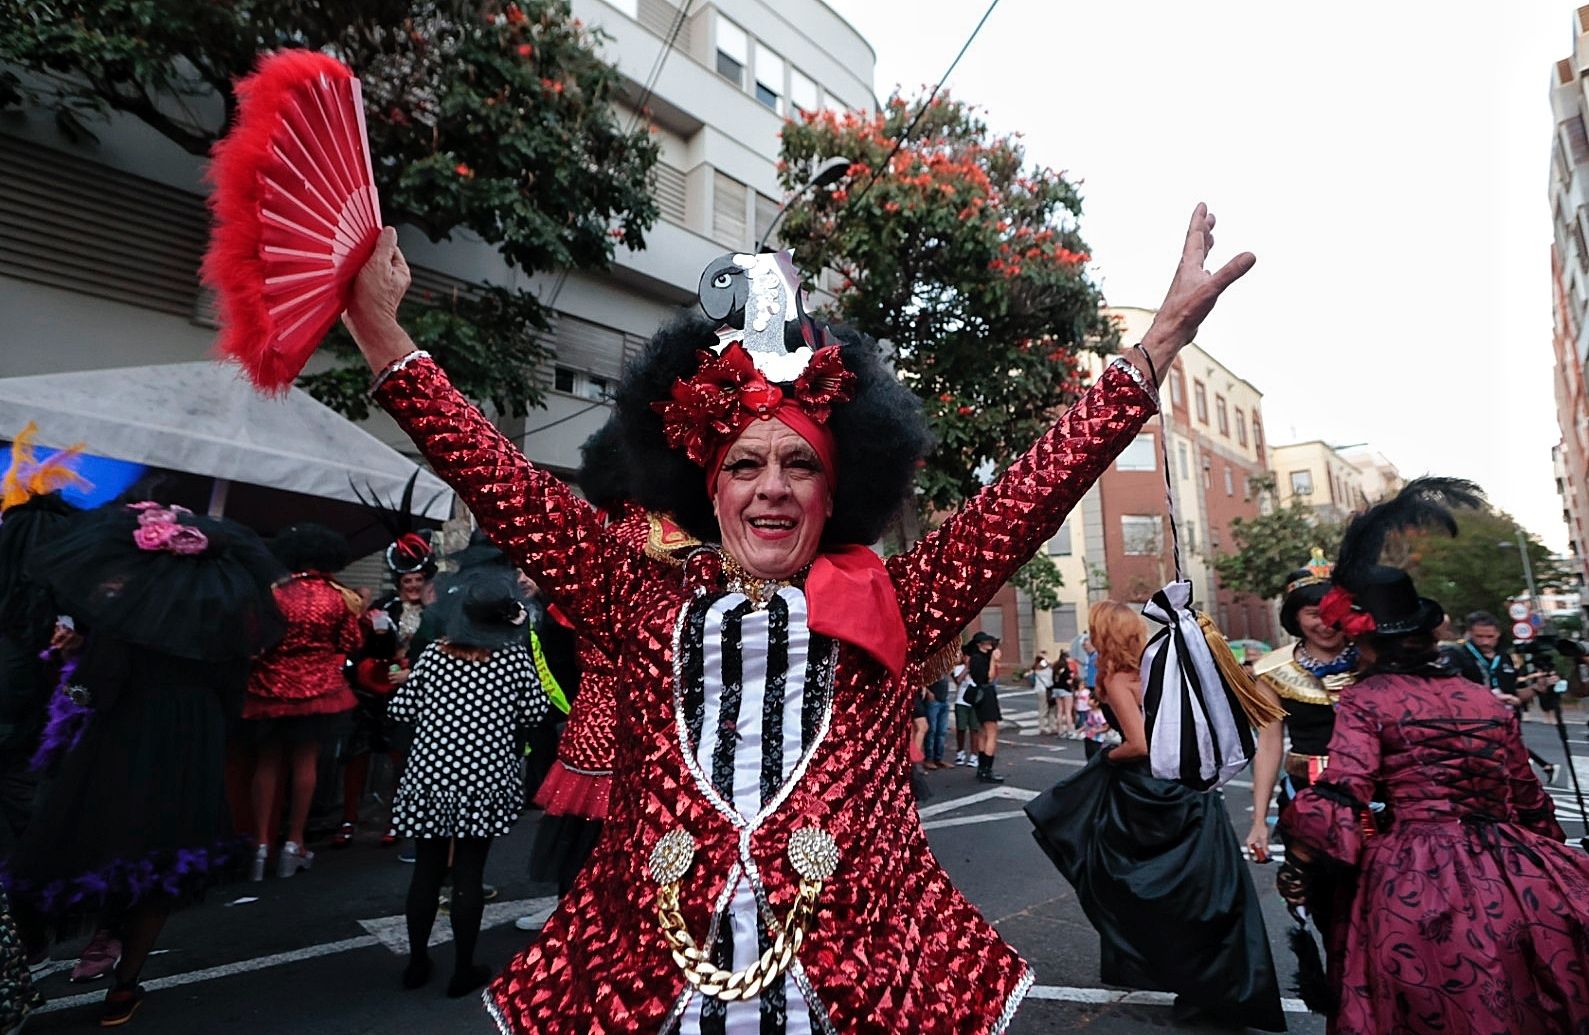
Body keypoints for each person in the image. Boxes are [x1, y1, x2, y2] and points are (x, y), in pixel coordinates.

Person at [341, 204, 1251, 1032]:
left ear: (836, 487)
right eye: (744, 464)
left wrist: (1158, 344)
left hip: (863, 989)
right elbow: (499, 483)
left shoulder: (896, 599)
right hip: (648, 990)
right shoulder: (634, 593)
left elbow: (1027, 498)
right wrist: (380, 332)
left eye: (798, 464)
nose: (771, 486)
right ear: (707, 485)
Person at [1281, 478, 1589, 1034]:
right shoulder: (1482, 700)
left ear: (1365, 642)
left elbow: (1340, 797)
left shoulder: (1368, 699)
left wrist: (1299, 860)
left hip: (1416, 876)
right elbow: (1531, 804)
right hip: (1516, 870)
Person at [10, 501, 283, 1025]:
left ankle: (32, 963)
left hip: (126, 737)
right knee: (164, 859)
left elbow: (96, 689)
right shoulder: (222, 617)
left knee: (82, 842)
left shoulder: (131, 613)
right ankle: (125, 985)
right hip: (195, 741)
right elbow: (232, 693)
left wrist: (70, 674)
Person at [1026, 600, 1283, 1029]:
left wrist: (1108, 757)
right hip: (1190, 787)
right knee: (1207, 892)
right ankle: (1220, 986)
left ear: (1102, 633)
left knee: (1123, 879)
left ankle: (1170, 968)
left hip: (1149, 790)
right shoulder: (1157, 669)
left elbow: (1140, 744)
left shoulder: (1114, 677)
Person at [389, 571, 548, 998]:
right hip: (484, 777)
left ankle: (417, 962)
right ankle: (463, 967)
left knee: (426, 871)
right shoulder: (513, 660)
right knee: (469, 873)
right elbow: (534, 714)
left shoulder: (435, 655)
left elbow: (402, 709)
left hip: (430, 776)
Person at [244, 524, 361, 880]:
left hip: (269, 688)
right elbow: (352, 643)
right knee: (305, 762)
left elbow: (254, 642)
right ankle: (294, 842)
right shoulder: (339, 597)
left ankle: (261, 846)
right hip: (320, 691)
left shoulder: (274, 594)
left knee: (267, 762)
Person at [1245, 550, 1358, 864]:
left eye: (1336, 612)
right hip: (1306, 798)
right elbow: (1269, 745)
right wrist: (1258, 823)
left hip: (1374, 797)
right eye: (1314, 614)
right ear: (1295, 616)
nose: (1326, 624)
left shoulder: (1374, 662)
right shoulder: (1272, 671)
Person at [338, 519, 436, 849]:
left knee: (402, 758)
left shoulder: (436, 613)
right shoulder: (383, 608)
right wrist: (378, 644)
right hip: (374, 695)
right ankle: (348, 819)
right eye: (407, 580)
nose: (412, 586)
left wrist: (412, 669)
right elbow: (360, 649)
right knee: (359, 755)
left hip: (417, 694)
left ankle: (397, 819)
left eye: (418, 580)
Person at [964, 632, 1004, 783]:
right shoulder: (978, 659)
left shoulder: (978, 658)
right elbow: (989, 677)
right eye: (987, 642)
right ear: (980, 644)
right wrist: (993, 661)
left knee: (983, 732)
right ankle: (987, 769)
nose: (990, 644)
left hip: (982, 696)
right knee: (991, 732)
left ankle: (982, 769)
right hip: (986, 695)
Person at [923, 672, 952, 768]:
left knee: (941, 731)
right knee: (932, 730)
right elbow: (921, 678)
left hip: (943, 699)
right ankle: (929, 759)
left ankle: (938, 758)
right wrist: (928, 692)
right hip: (934, 700)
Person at [1029, 650, 1056, 736]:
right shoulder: (1040, 666)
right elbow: (1048, 663)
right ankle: (1043, 727)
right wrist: (1045, 657)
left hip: (1047, 689)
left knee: (1051, 708)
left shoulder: (1044, 666)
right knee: (1044, 708)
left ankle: (1051, 727)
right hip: (1043, 689)